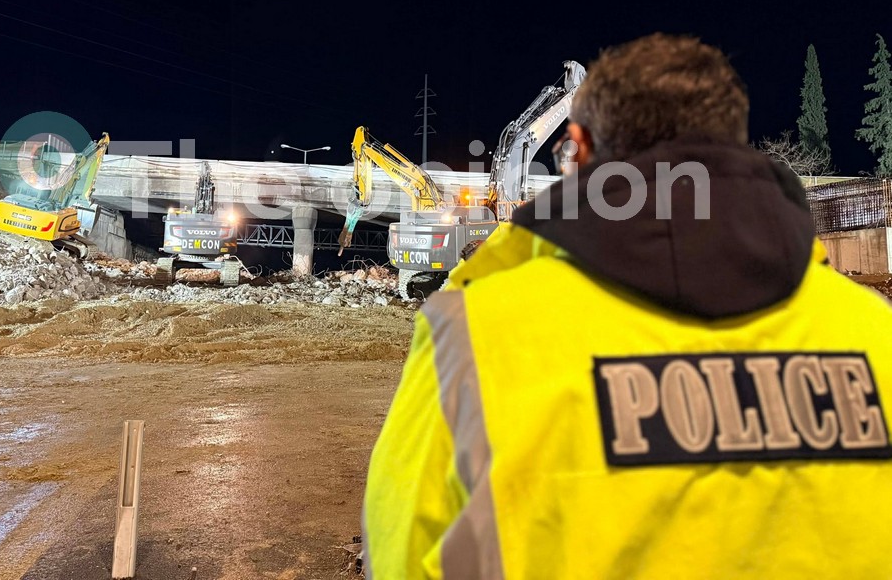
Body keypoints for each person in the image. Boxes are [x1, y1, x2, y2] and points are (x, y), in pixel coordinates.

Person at [362, 33, 892, 579]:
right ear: (730, 142)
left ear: (580, 150)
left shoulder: (472, 341)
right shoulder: (876, 334)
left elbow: (398, 557)